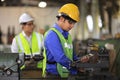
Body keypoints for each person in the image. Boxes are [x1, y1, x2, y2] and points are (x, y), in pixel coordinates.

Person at [43, 3, 89, 79]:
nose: (72, 26)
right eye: (70, 22)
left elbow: (72, 57)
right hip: (54, 75)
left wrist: (80, 60)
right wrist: (76, 66)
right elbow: (60, 58)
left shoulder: (68, 36)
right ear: (61, 19)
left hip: (65, 74)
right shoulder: (52, 35)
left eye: (74, 23)